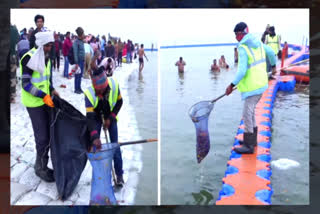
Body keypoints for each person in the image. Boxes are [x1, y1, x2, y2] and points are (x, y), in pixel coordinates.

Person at [225, 22, 276, 154]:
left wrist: (231, 85)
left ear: (242, 33)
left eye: (237, 34)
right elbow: (270, 52)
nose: (236, 37)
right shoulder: (258, 43)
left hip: (253, 87)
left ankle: (248, 146)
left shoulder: (243, 47)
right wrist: (274, 66)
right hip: (261, 83)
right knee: (251, 111)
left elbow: (241, 71)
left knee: (247, 113)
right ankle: (252, 140)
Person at [20, 31, 60, 182]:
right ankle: (40, 168)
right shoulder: (29, 58)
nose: (50, 48)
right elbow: (25, 84)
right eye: (48, 46)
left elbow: (46, 80)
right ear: (40, 44)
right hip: (33, 103)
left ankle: (43, 163)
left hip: (45, 101)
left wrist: (52, 90)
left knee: (48, 134)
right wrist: (43, 95)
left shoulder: (46, 58)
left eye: (51, 45)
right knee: (42, 137)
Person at [85, 53, 124, 186]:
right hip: (96, 116)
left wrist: (110, 118)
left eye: (101, 92)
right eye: (97, 91)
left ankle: (119, 175)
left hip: (110, 115)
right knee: (95, 146)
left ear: (106, 87)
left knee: (115, 146)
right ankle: (100, 175)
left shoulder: (114, 84)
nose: (99, 94)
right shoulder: (90, 94)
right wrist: (95, 136)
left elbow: (119, 102)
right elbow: (90, 118)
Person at [73, 27, 85, 94]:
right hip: (78, 61)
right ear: (80, 35)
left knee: (80, 75)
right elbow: (75, 53)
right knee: (77, 75)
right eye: (83, 34)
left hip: (82, 61)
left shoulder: (81, 42)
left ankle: (79, 88)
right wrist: (76, 63)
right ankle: (76, 89)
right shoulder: (76, 42)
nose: (84, 35)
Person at [10, 24, 20, 103]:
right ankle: (12, 97)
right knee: (12, 76)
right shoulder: (14, 29)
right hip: (12, 56)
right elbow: (17, 40)